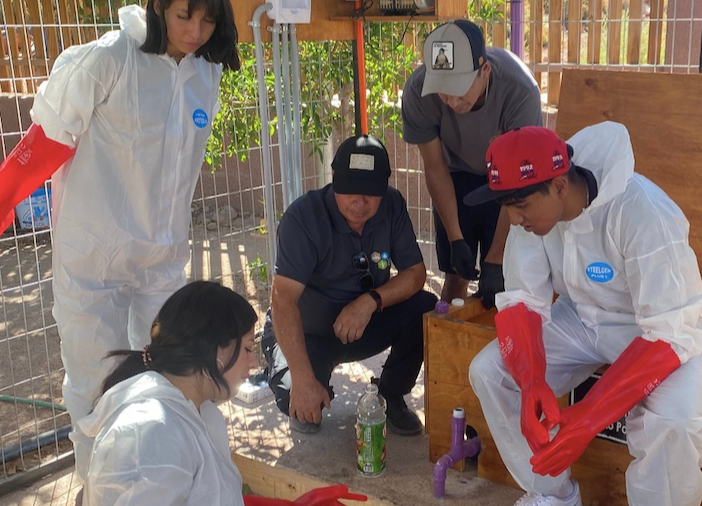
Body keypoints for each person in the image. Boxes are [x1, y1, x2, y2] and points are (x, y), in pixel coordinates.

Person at [28, 0, 240, 479]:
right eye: (185, 15)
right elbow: (45, 137)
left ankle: (165, 480)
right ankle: (97, 487)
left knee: (179, 373)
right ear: (160, 6)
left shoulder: (206, 73)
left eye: (208, 20)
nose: (196, 31)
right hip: (94, 260)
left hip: (161, 260)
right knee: (94, 387)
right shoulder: (108, 59)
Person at [465, 124, 702, 506]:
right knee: (490, 371)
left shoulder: (642, 212)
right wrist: (532, 379)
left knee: (675, 422)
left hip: (668, 332)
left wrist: (587, 418)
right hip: (582, 320)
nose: (514, 220)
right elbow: (522, 301)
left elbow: (669, 330)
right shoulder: (533, 219)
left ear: (560, 187)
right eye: (507, 207)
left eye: (520, 206)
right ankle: (554, 495)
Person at [265, 134, 437, 436]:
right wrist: (304, 380)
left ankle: (391, 393)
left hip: (362, 323)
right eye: (350, 193)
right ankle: (301, 375)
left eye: (371, 193)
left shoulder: (393, 205)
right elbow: (282, 300)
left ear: (384, 188)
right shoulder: (302, 218)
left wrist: (370, 301)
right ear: (334, 182)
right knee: (302, 409)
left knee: (425, 307)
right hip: (309, 333)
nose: (360, 204)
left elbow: (415, 273)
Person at [75, 281, 258, 505]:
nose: (254, 363)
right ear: (216, 348)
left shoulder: (195, 410)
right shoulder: (156, 433)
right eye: (248, 349)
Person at [401, 19, 542, 308]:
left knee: (506, 281)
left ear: (485, 71)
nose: (451, 100)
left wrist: (495, 257)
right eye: (443, 89)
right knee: (455, 276)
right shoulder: (418, 92)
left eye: (460, 87)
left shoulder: (520, 91)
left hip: (507, 181)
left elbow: (517, 179)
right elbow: (435, 166)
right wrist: (455, 238)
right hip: (455, 175)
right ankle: (448, 349)